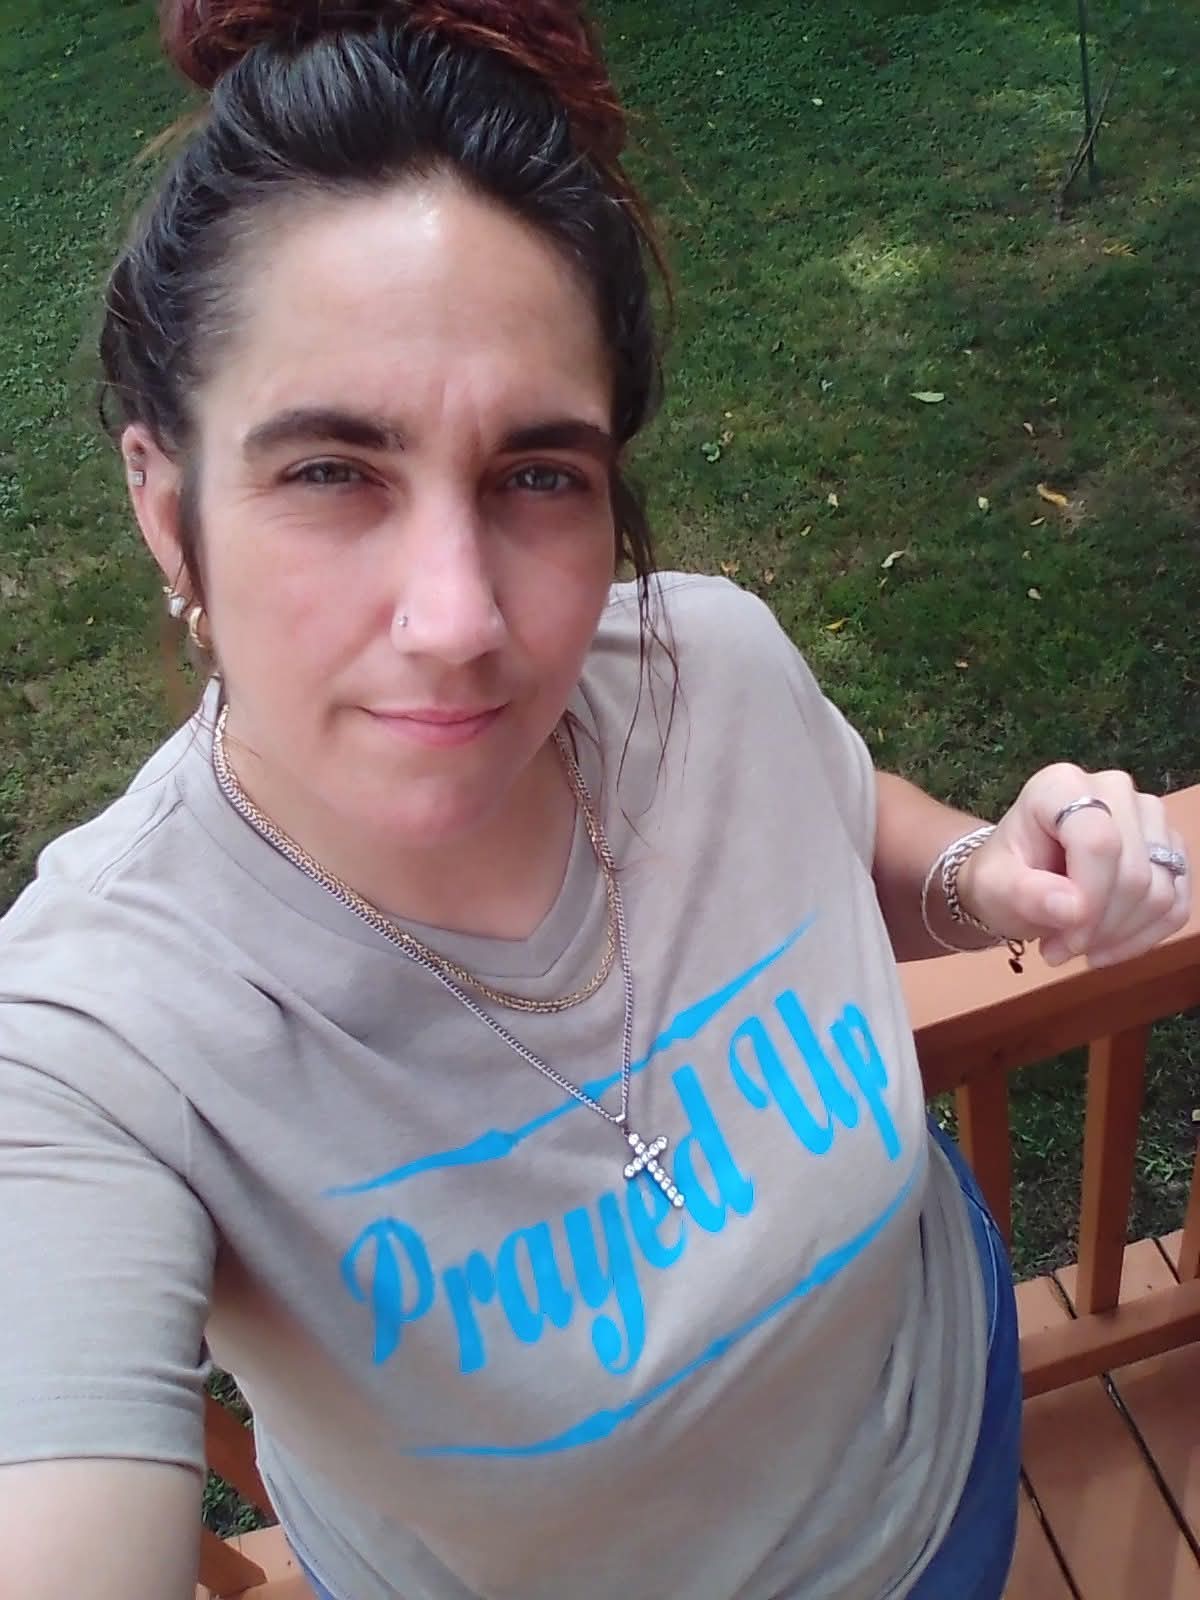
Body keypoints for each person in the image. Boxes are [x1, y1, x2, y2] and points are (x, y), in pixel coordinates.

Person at [0, 4, 1190, 1598]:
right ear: (168, 506)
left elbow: (838, 826)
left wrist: (994, 876)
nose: (458, 618)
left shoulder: (716, 665)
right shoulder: (91, 1036)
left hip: (942, 1451)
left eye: (536, 475)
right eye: (332, 471)